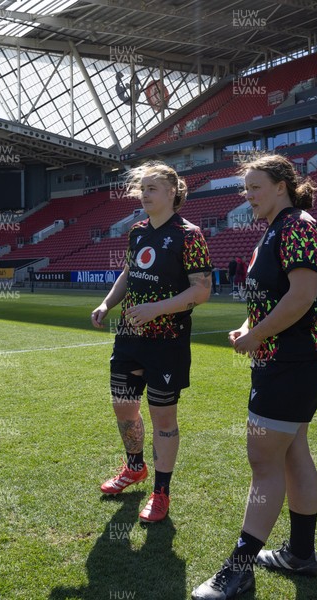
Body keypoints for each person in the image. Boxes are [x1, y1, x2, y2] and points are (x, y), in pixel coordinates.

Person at [192, 154, 317, 599]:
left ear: (281, 186)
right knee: (292, 454)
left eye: (254, 187)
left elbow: (302, 296)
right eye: (244, 188)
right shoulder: (274, 229)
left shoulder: (297, 226)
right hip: (289, 360)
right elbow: (274, 300)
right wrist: (250, 328)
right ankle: (300, 555)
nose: (246, 196)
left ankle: (239, 569)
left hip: (290, 362)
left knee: (263, 463)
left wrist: (257, 337)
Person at [91, 161, 212, 523]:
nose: (144, 194)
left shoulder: (189, 234)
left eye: (151, 188)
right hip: (130, 337)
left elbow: (202, 290)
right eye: (141, 189)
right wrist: (106, 303)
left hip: (167, 342)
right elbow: (129, 273)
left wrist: (157, 309)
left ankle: (161, 492)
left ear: (173, 192)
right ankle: (134, 468)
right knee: (123, 406)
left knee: (163, 416)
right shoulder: (137, 232)